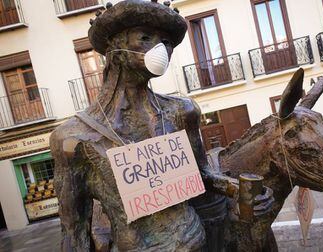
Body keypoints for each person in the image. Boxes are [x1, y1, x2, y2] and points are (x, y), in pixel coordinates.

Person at [50, 1, 273, 251]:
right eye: (145, 37)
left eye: (166, 42)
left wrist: (236, 190)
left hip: (197, 242)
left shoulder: (182, 111)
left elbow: (200, 174)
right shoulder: (73, 138)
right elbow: (74, 230)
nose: (160, 49)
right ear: (116, 47)